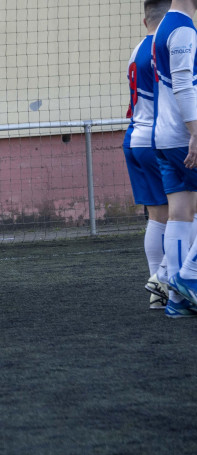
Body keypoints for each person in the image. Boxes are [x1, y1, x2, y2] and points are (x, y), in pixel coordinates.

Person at [124, 0, 171, 310]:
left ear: (145, 21)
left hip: (134, 138)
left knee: (158, 218)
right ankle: (167, 279)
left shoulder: (137, 48)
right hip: (159, 141)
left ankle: (160, 290)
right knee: (185, 213)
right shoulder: (166, 47)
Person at [152, 0, 197, 318]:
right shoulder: (182, 27)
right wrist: (196, 132)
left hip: (164, 135)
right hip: (183, 136)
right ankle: (188, 276)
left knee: (180, 211)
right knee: (182, 211)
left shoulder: (162, 27)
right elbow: (183, 84)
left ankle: (176, 301)